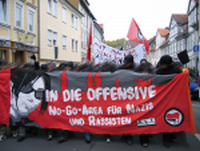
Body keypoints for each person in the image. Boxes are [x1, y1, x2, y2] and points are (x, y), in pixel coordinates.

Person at [156, 55, 182, 148]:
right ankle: (167, 137)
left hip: (173, 98)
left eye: (163, 65)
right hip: (165, 99)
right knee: (165, 117)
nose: (162, 66)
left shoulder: (176, 72)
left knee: (171, 117)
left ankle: (170, 136)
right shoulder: (161, 71)